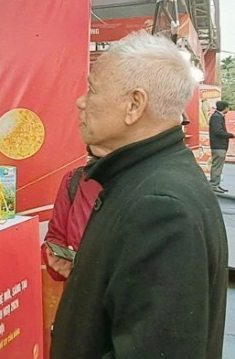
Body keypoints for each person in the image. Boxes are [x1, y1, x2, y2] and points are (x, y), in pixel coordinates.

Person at [51, 32, 227, 359]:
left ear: (134, 104)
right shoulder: (148, 178)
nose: (81, 101)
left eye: (92, 89)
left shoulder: (159, 205)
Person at [42, 149, 102, 281]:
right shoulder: (74, 179)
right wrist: (58, 260)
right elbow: (55, 237)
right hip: (81, 293)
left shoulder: (150, 182)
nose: (83, 127)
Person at [208, 100, 233, 193]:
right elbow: (218, 131)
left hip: (220, 145)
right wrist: (230, 135)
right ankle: (214, 184)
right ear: (225, 108)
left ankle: (216, 184)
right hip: (218, 146)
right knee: (217, 166)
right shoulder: (216, 117)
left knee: (219, 166)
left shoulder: (218, 116)